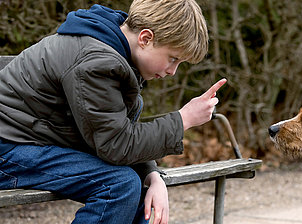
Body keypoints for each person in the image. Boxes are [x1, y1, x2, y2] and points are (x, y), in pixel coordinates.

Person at [0, 0, 226, 223]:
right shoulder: (96, 62)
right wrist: (183, 119)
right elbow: (116, 145)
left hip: (28, 142)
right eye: (173, 59)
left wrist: (152, 175)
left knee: (135, 185)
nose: (172, 72)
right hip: (8, 146)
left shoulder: (114, 50)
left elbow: (116, 132)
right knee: (118, 185)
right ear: (145, 38)